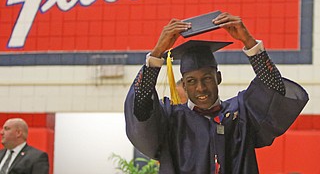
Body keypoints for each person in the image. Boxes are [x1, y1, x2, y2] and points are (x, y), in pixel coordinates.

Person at [124, 12, 309, 174]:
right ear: (184, 86)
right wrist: (157, 54)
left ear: (218, 77)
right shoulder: (172, 120)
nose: (200, 88)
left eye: (207, 78)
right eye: (191, 81)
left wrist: (249, 42)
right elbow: (140, 108)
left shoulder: (242, 113)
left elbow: (274, 89)